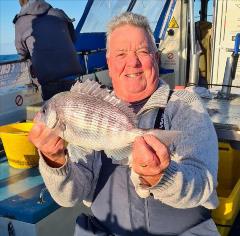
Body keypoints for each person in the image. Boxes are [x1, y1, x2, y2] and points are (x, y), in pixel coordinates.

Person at [29, 12, 220, 236]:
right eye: (121, 54)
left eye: (142, 51)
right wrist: (55, 160)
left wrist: (160, 176)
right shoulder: (90, 109)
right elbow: (69, 197)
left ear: (156, 59)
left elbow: (202, 183)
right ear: (109, 63)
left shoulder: (184, 104)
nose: (133, 62)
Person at [13, 0, 82, 101]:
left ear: (21, 3)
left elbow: (22, 53)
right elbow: (73, 38)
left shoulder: (20, 22)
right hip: (74, 76)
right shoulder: (59, 13)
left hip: (50, 82)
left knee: (55, 115)